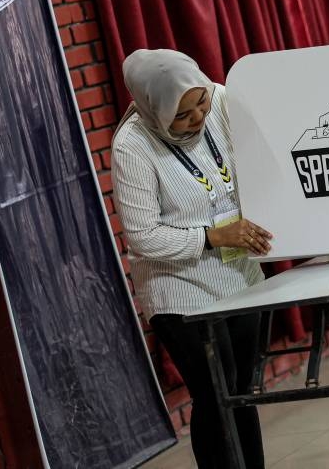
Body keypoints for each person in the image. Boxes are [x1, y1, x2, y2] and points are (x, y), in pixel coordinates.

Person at [111, 48, 272, 469]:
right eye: (183, 116)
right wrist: (212, 236)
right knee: (214, 396)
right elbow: (143, 236)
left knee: (239, 392)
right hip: (179, 293)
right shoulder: (132, 147)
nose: (199, 117)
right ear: (154, 110)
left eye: (200, 102)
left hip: (239, 274)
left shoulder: (218, 99)